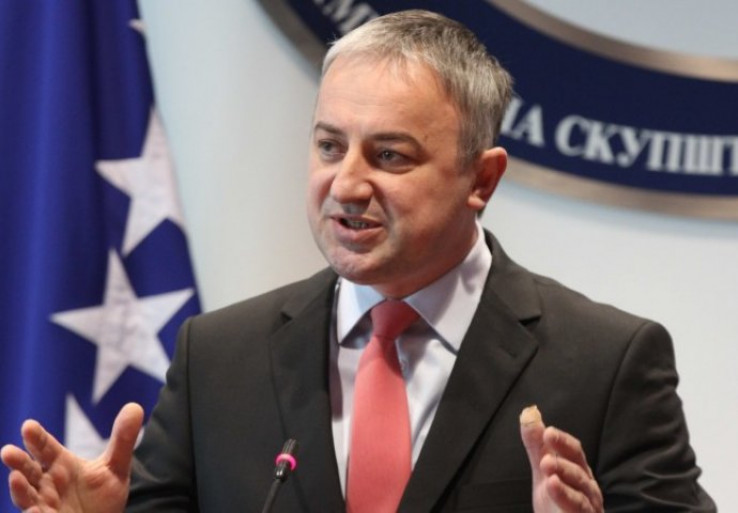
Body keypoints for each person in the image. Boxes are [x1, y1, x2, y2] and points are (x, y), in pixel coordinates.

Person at [1, 9, 715, 513]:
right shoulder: (217, 357)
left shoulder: (607, 364)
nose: (345, 184)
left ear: (482, 179)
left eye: (390, 155)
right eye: (329, 145)